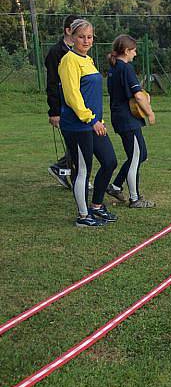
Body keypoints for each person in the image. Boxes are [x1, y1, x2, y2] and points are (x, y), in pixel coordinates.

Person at [58, 19, 118, 228]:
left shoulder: (88, 60)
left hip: (93, 123)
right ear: (72, 37)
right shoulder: (69, 61)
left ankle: (97, 205)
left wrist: (98, 120)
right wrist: (91, 119)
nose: (85, 40)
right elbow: (72, 96)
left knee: (110, 161)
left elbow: (91, 94)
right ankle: (83, 217)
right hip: (78, 125)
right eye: (81, 36)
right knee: (83, 170)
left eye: (89, 37)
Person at [105, 35, 156, 208]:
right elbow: (138, 96)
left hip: (120, 117)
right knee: (135, 157)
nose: (135, 53)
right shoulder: (126, 68)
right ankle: (135, 199)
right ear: (126, 51)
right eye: (133, 50)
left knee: (141, 154)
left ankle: (115, 185)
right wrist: (150, 113)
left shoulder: (114, 68)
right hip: (127, 119)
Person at [45, 14, 80, 188]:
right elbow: (52, 83)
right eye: (77, 31)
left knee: (80, 142)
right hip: (64, 106)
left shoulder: (79, 52)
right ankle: (65, 171)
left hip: (79, 105)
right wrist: (54, 112)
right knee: (76, 142)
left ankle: (70, 173)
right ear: (68, 31)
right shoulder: (55, 53)